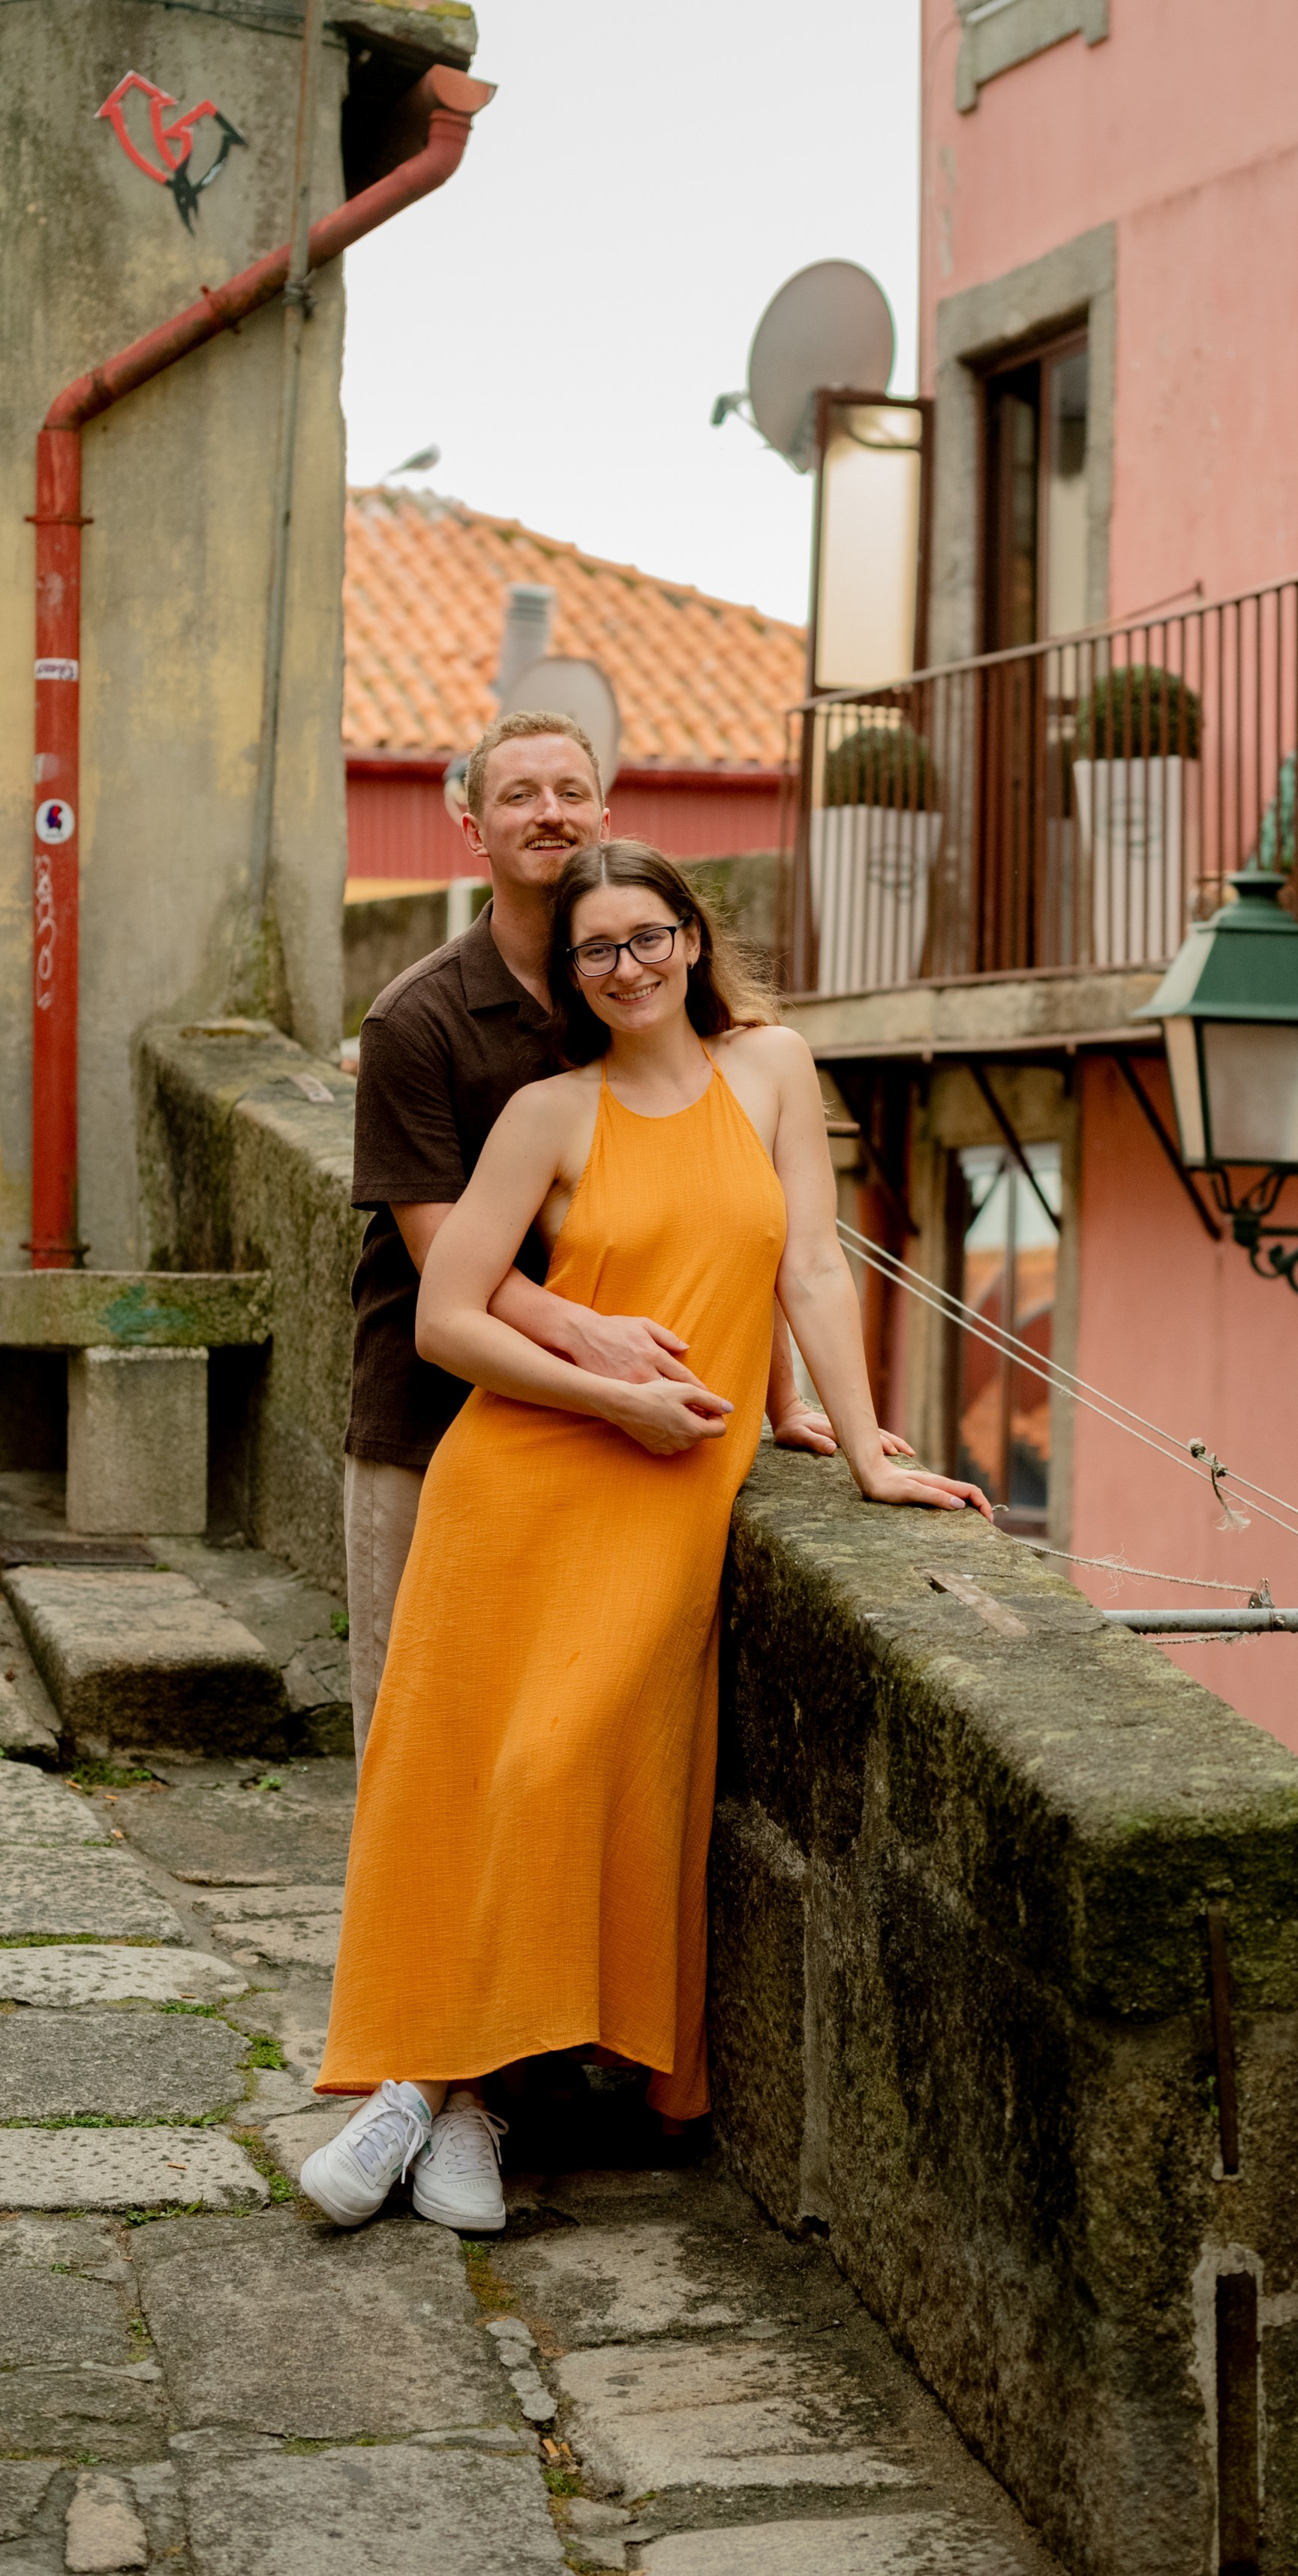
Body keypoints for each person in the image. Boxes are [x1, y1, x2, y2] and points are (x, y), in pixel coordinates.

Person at [302, 839, 990, 2233]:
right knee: (473, 1784)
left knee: (567, 1764)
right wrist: (610, 1392)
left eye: (648, 936)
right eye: (596, 949)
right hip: (519, 1477)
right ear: (571, 975)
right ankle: (455, 2105)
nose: (628, 965)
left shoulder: (778, 1069)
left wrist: (862, 1450)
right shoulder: (550, 1112)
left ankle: (425, 2087)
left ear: (693, 936)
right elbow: (449, 1317)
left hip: (671, 1494)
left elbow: (806, 1261)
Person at [343, 707, 879, 1752]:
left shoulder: (655, 1007)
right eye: (519, 795)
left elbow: (726, 1219)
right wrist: (600, 1347)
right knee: (422, 1746)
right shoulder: (418, 1021)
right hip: (434, 1423)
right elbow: (442, 1263)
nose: (549, 814)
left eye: (569, 792)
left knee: (569, 1744)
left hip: (621, 1436)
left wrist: (783, 1393)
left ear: (602, 813)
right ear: (472, 827)